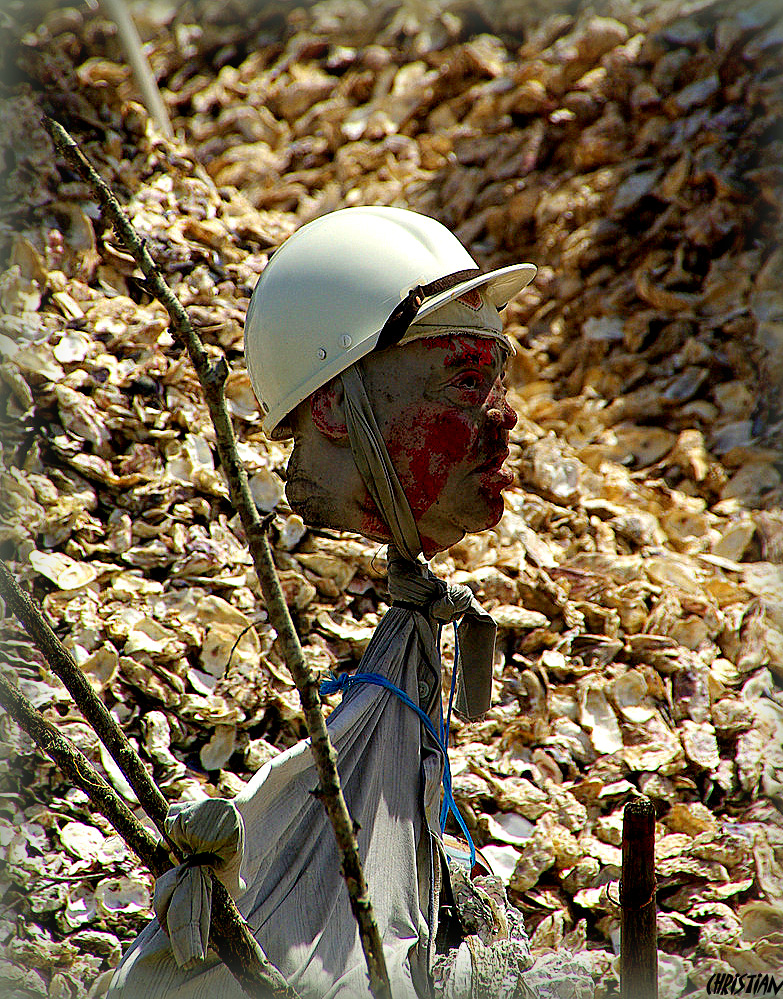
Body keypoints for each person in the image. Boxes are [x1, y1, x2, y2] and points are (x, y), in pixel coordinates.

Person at [108, 207, 536, 999]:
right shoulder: (271, 625)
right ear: (336, 410)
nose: (506, 419)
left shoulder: (411, 595)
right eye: (469, 383)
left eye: (500, 378)